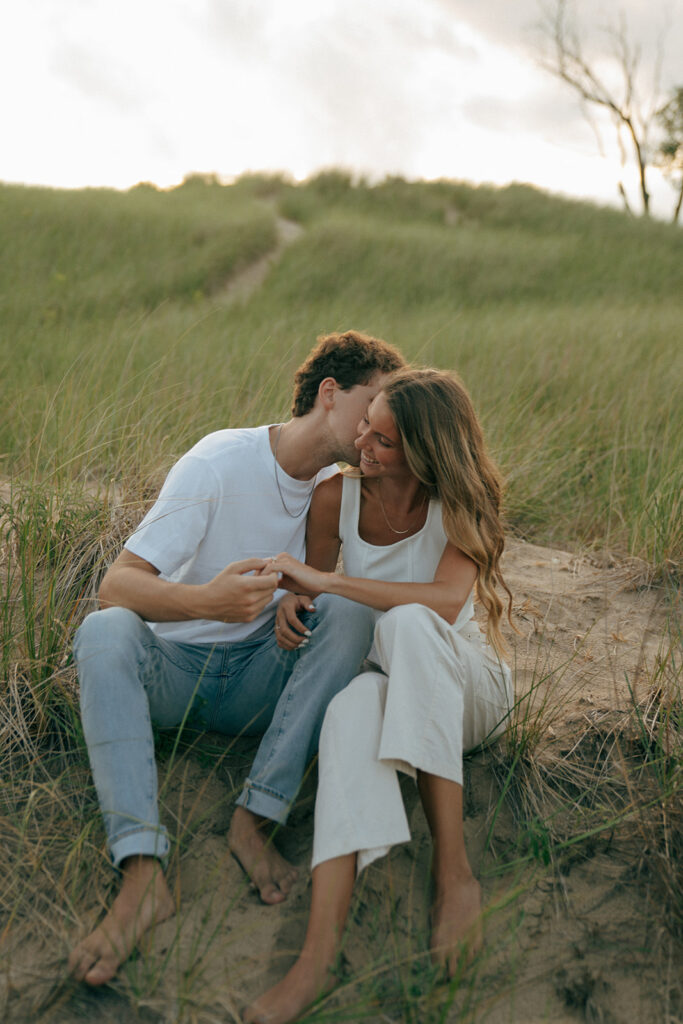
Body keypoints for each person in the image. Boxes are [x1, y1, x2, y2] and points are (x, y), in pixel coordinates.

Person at [68, 330, 405, 986]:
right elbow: (119, 586)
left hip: (260, 679)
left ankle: (256, 818)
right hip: (174, 676)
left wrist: (295, 602)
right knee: (104, 632)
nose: (374, 430)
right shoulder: (221, 459)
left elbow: (323, 592)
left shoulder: (341, 492)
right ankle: (141, 875)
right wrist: (205, 602)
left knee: (349, 613)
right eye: (368, 408)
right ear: (329, 395)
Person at [245, 367, 514, 1024]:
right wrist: (296, 601)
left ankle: (452, 875)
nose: (363, 443)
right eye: (366, 426)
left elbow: (447, 601)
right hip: (386, 682)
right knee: (347, 711)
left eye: (384, 441)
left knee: (410, 624)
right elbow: (310, 591)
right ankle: (315, 956)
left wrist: (324, 583)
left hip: (465, 687)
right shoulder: (335, 498)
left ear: (424, 451)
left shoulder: (461, 501)